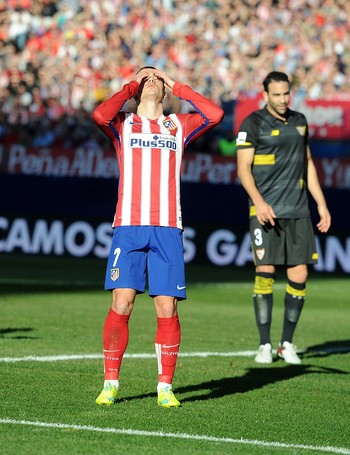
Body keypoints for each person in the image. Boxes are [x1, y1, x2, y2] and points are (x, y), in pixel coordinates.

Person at [92, 66, 224, 406]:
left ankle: (165, 387)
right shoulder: (123, 124)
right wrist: (131, 84)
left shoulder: (178, 126)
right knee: (122, 302)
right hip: (129, 226)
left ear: (165, 91)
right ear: (136, 89)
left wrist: (177, 85)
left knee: (167, 308)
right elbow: (99, 114)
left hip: (168, 228)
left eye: (156, 79)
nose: (152, 80)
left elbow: (215, 113)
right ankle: (110, 383)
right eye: (145, 78)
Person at [236, 71, 331, 365]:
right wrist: (260, 203)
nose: (282, 99)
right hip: (265, 211)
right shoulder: (252, 124)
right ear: (265, 95)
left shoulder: (300, 121)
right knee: (265, 270)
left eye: (286, 94)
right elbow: (243, 169)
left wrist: (322, 204)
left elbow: (308, 163)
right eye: (276, 94)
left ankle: (286, 343)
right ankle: (264, 344)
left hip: (298, 209)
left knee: (299, 274)